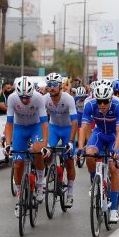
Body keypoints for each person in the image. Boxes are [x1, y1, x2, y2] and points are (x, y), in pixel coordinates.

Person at [77, 81, 119, 223]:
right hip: (99, 134)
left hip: (114, 136)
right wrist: (80, 148)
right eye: (100, 102)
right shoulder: (90, 105)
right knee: (90, 154)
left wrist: (116, 149)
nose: (102, 105)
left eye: (105, 101)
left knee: (113, 167)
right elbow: (84, 127)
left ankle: (114, 209)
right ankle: (95, 181)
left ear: (110, 99)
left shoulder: (118, 105)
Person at [3, 77, 48, 216]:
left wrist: (44, 145)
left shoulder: (39, 98)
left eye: (27, 97)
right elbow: (9, 123)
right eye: (22, 97)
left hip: (35, 127)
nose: (25, 100)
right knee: (17, 163)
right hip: (19, 129)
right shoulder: (11, 98)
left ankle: (40, 183)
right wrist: (8, 145)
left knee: (37, 151)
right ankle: (20, 198)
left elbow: (45, 124)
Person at [43, 72, 78, 206]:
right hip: (53, 128)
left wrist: (70, 141)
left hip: (67, 129)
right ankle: (51, 170)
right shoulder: (45, 99)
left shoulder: (68, 99)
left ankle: (70, 192)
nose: (52, 87)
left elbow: (75, 121)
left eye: (55, 85)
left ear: (60, 86)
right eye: (49, 85)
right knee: (46, 151)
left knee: (69, 161)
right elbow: (40, 119)